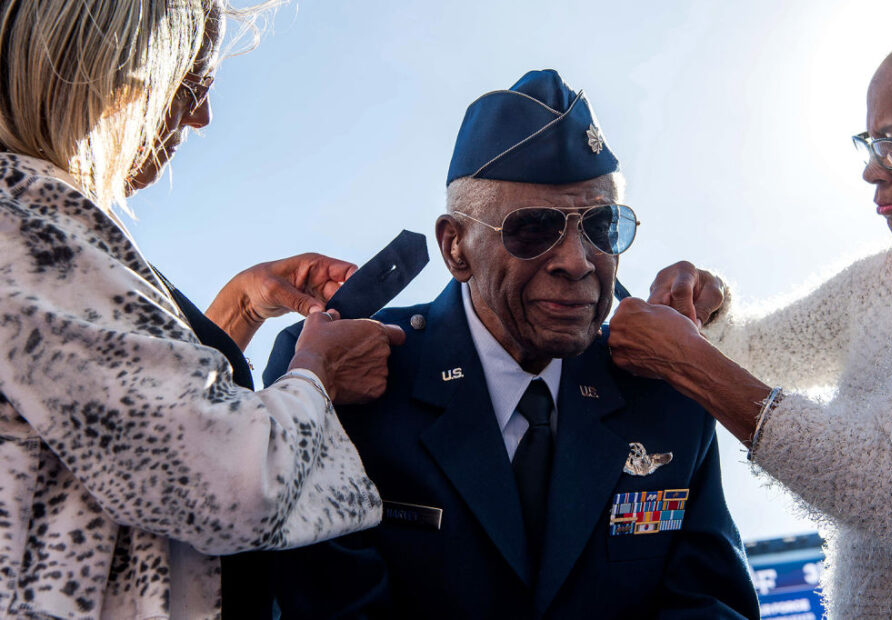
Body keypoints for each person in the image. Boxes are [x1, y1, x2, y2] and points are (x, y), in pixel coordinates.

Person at [263, 70, 760, 618]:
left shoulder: (663, 389)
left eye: (602, 227)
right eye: (533, 228)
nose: (576, 261)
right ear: (456, 248)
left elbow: (709, 604)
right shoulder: (340, 378)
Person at [0, 1, 405, 618]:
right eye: (191, 84)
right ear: (114, 73)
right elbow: (232, 483)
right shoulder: (29, 227)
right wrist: (317, 374)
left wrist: (236, 310)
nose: (201, 116)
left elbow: (128, 415)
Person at [607, 29, 892, 618]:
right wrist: (712, 310)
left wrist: (688, 362)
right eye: (870, 143)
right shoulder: (887, 278)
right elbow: (761, 352)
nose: (873, 172)